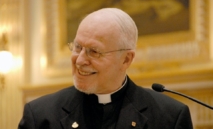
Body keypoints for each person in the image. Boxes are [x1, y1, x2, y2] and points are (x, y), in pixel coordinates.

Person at [18, 8, 193, 129]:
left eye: (93, 51)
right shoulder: (40, 116)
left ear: (126, 59)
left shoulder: (169, 117)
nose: (79, 60)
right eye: (77, 47)